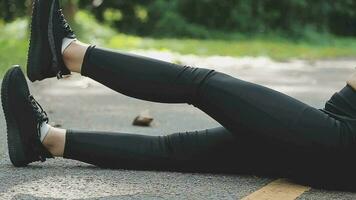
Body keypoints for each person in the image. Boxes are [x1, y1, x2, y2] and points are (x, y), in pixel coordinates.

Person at [2, 0, 356, 178]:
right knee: (174, 149)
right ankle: (44, 139)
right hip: (337, 133)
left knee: (202, 84)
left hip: (341, 142)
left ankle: (65, 54)